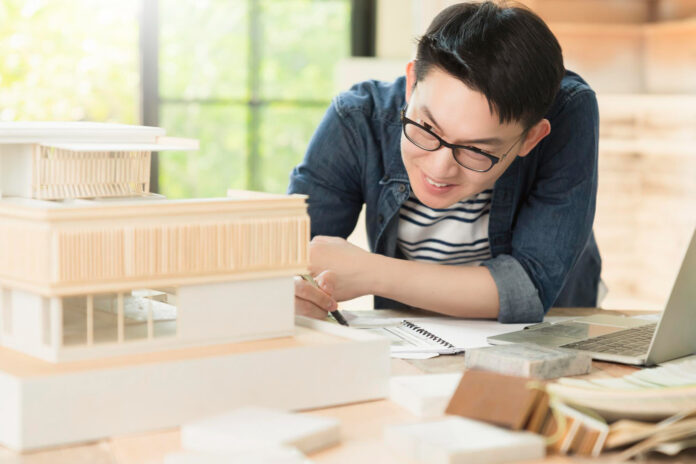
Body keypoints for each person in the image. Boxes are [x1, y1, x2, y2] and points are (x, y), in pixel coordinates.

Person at [288, 1, 601, 323]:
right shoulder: (358, 118)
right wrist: (291, 293)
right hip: (416, 334)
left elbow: (531, 287)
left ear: (531, 138)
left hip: (544, 333)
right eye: (426, 129)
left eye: (476, 151)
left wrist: (371, 273)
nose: (440, 169)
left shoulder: (567, 112)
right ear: (411, 84)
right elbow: (288, 261)